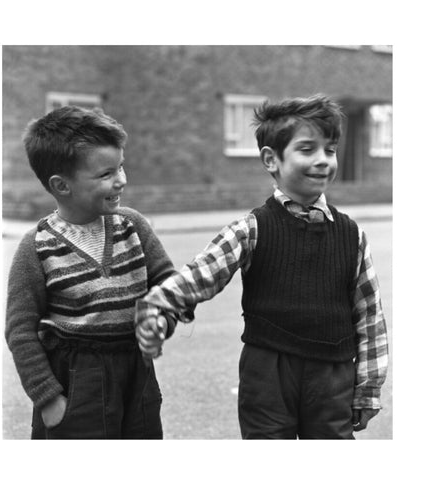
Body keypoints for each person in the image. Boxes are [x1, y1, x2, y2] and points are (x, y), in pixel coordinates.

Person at [135, 94, 389, 439]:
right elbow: (202, 273)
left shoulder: (352, 234)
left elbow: (369, 314)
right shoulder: (252, 228)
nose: (323, 160)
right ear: (272, 159)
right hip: (268, 372)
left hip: (333, 373)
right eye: (307, 149)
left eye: (329, 150)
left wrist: (368, 387)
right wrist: (158, 305)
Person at [5, 105, 173, 439]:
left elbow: (169, 283)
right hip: (75, 381)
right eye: (106, 174)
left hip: (136, 375)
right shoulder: (36, 247)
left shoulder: (133, 226)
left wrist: (161, 318)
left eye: (121, 167)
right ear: (62, 186)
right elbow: (20, 330)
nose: (121, 180)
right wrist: (49, 398)